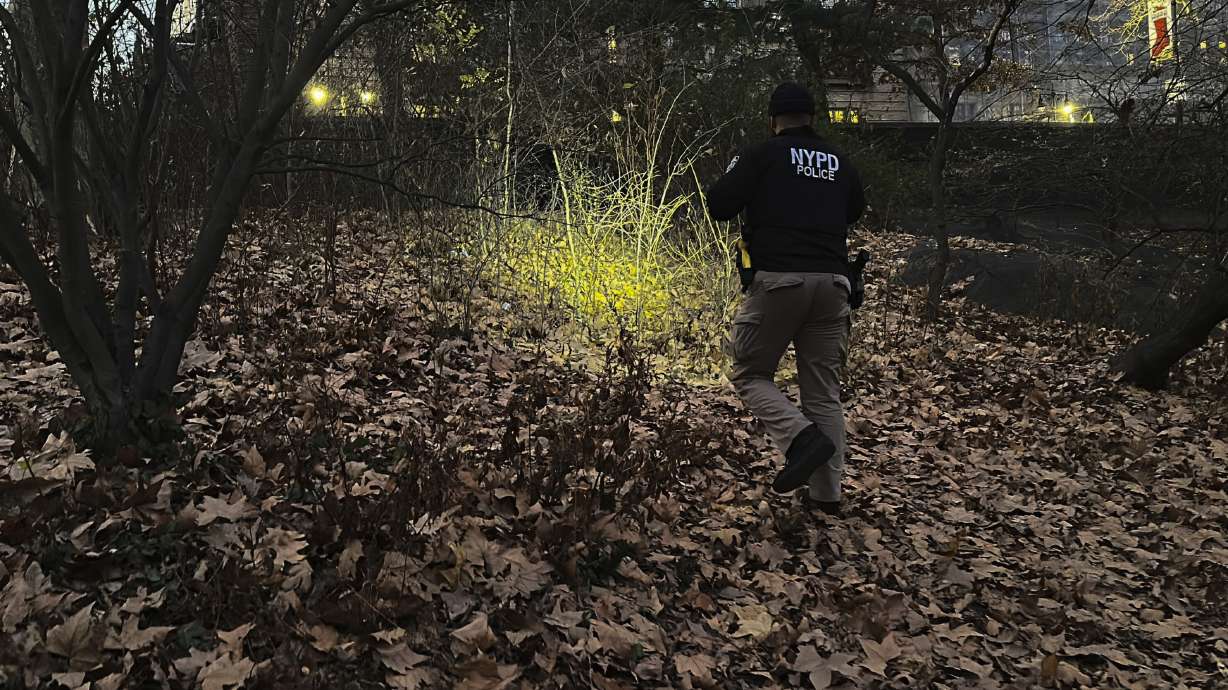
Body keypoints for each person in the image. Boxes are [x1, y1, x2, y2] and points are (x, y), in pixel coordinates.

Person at [704, 82, 866, 516]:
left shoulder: (763, 155)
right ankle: (827, 498)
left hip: (779, 282)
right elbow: (854, 210)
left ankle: (800, 439)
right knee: (823, 394)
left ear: (773, 119)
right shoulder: (840, 162)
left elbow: (718, 204)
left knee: (751, 373)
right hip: (834, 287)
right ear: (813, 118)